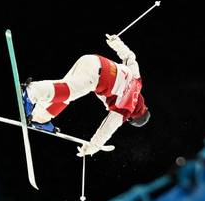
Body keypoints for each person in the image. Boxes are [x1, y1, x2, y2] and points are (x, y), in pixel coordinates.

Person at [22, 34, 150, 156]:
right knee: (68, 91)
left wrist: (116, 43)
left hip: (93, 59)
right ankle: (32, 91)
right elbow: (107, 129)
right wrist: (92, 147)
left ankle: (40, 118)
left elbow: (129, 57)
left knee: (66, 94)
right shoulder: (126, 109)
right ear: (132, 117)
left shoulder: (137, 80)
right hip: (95, 76)